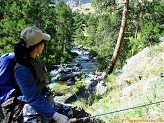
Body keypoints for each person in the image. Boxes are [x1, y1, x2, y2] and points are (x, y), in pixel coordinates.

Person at [14, 26, 73, 123]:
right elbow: (33, 99)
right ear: (38, 46)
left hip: (44, 101)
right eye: (44, 42)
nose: (45, 45)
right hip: (30, 108)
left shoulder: (33, 58)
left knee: (68, 112)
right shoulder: (22, 69)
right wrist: (57, 116)